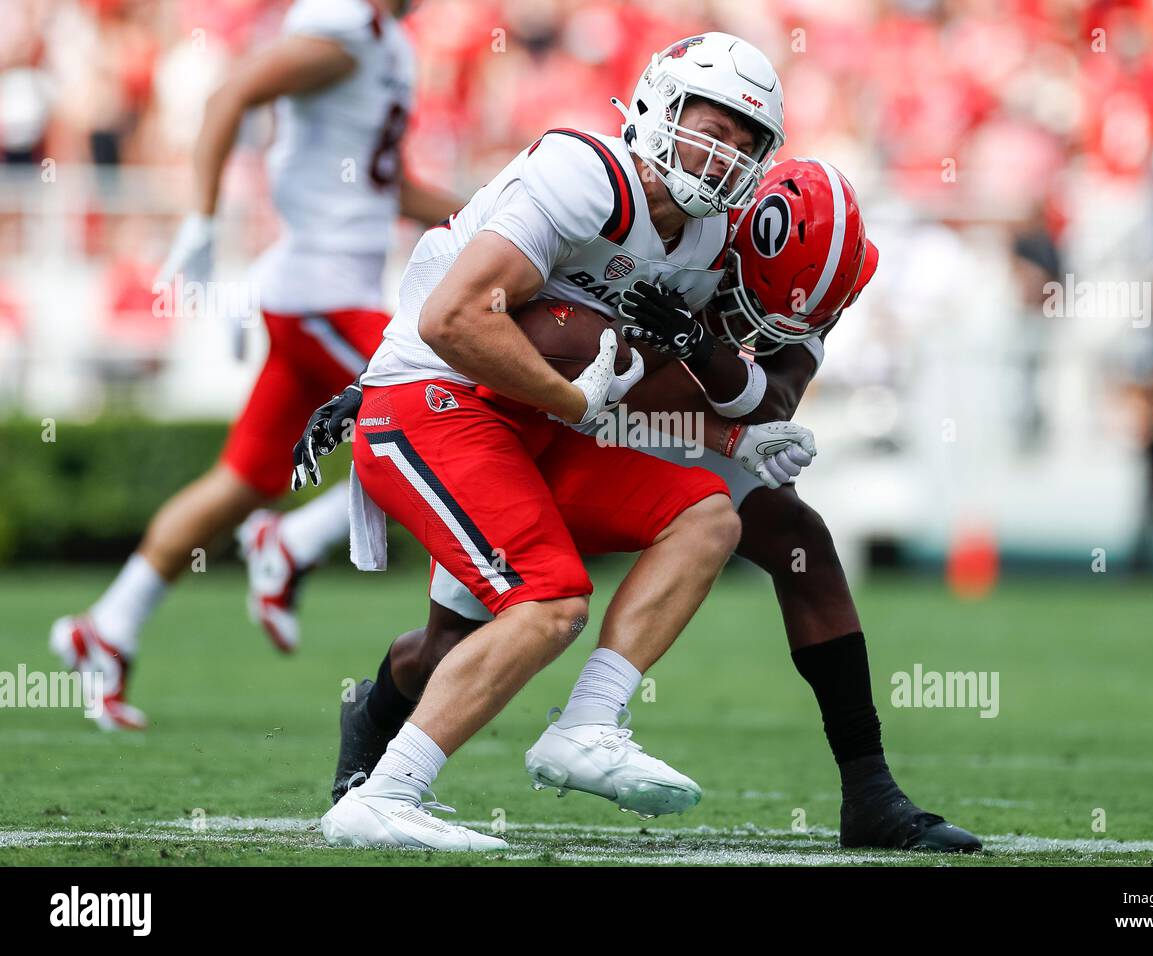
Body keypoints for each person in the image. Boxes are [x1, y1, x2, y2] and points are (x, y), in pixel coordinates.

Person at [314, 159, 981, 851]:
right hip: (577, 410)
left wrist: (702, 350)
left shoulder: (819, 275)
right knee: (456, 641)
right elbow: (512, 308)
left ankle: (868, 789)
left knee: (796, 539)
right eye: (751, 289)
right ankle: (378, 717)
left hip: (694, 416)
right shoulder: (680, 222)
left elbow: (774, 397)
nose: (762, 314)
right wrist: (383, 379)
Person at [319, 32, 798, 852]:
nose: (724, 159)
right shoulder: (586, 175)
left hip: (534, 421)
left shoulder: (706, 245)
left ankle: (587, 726)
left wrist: (730, 432)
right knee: (548, 601)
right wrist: (571, 400)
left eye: (745, 146)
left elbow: (619, 372)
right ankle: (386, 794)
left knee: (707, 517)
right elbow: (456, 317)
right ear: (657, 108)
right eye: (712, 132)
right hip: (436, 399)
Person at [49, 0, 459, 729]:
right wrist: (202, 222)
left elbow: (379, 182)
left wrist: (492, 216)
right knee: (447, 411)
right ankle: (294, 539)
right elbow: (229, 92)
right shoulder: (345, 32)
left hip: (322, 293)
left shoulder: (387, 40)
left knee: (245, 480)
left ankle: (105, 625)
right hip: (321, 295)